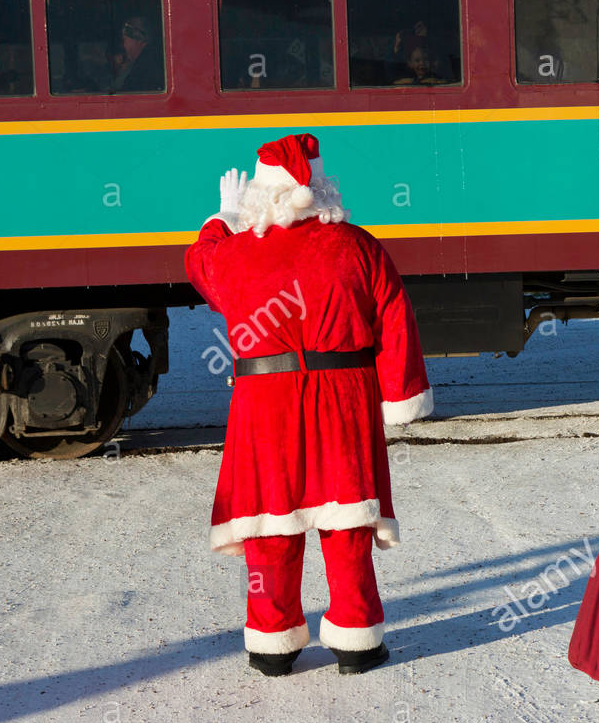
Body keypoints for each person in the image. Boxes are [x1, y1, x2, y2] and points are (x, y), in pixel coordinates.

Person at [185, 133, 433, 677]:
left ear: (260, 193)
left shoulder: (235, 252)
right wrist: (399, 395)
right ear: (321, 188)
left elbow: (201, 266)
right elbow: (396, 322)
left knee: (271, 523)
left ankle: (272, 646)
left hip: (264, 403)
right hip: (343, 398)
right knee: (346, 521)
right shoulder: (358, 246)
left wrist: (220, 220)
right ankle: (357, 641)